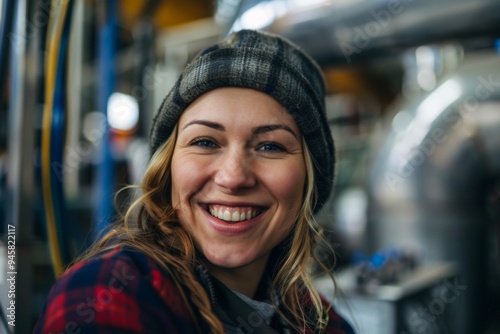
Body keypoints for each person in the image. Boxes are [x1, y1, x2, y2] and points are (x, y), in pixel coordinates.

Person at [34, 29, 354, 334]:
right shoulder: (107, 293)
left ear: (310, 180)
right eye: (205, 142)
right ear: (167, 165)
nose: (233, 177)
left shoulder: (322, 322)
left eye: (270, 146)